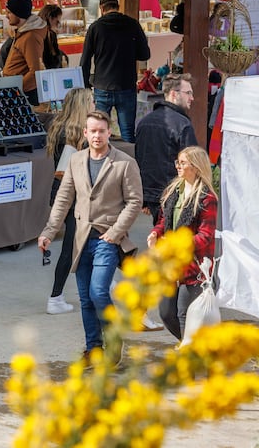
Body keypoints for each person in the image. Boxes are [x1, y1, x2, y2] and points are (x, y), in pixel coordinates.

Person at [38, 110, 142, 364]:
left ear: (109, 133)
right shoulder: (76, 160)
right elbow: (64, 199)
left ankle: (114, 339)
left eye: (101, 131)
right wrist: (49, 231)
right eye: (92, 131)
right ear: (85, 133)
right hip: (80, 239)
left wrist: (115, 233)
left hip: (107, 238)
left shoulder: (125, 163)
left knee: (98, 292)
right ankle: (93, 348)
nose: (97, 135)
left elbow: (134, 201)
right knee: (85, 298)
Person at [147, 146, 217, 342]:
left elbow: (205, 236)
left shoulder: (206, 198)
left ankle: (191, 360)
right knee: (166, 313)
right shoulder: (173, 192)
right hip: (170, 265)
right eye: (178, 162)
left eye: (183, 162)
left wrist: (178, 244)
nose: (178, 166)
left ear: (195, 167)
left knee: (184, 315)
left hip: (193, 268)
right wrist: (156, 232)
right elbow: (164, 221)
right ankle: (195, 348)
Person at [44, 88, 94, 314]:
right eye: (91, 101)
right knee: (71, 246)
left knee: (78, 244)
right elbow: (65, 172)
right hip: (73, 197)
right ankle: (55, 298)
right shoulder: (73, 136)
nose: (94, 104)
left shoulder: (61, 129)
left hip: (68, 195)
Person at [80, 0, 150, 143]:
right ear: (117, 7)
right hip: (126, 86)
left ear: (102, 8)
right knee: (127, 133)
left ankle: (100, 164)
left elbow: (85, 61)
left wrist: (85, 86)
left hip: (102, 86)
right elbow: (145, 55)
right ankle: (129, 165)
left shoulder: (95, 28)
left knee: (98, 133)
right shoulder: (132, 25)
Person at [135, 73, 198, 224]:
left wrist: (145, 196)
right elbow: (192, 164)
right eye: (188, 93)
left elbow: (139, 160)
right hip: (175, 195)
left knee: (160, 237)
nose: (192, 98)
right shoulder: (182, 124)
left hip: (153, 195)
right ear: (174, 94)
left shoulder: (144, 122)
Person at [1, 0, 47, 105]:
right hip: (18, 89)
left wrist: (17, 89)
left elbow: (35, 71)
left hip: (23, 94)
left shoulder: (30, 37)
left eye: (9, 12)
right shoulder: (23, 33)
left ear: (19, 13)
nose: (6, 16)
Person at [39, 4, 68, 70]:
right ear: (50, 18)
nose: (57, 25)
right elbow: (53, 60)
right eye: (57, 22)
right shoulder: (50, 35)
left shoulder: (35, 31)